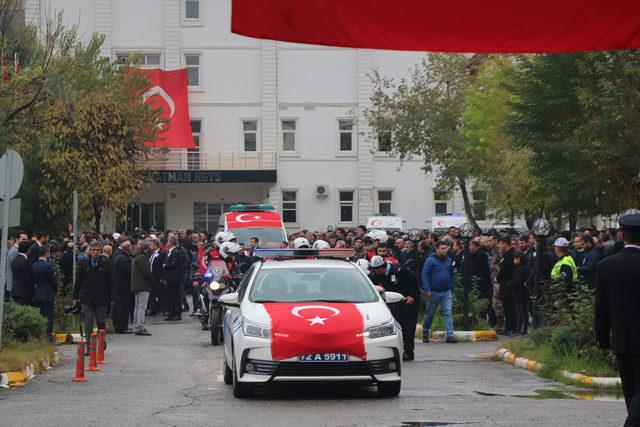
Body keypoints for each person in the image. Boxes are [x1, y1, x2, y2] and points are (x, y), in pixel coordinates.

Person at [595, 214, 640, 426]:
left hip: (622, 340)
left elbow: (601, 307)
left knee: (631, 392)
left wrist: (602, 339)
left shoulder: (606, 265)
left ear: (621, 235)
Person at [369, 255, 420, 360]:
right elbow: (371, 283)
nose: (374, 272)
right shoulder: (377, 274)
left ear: (381, 267)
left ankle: (409, 351)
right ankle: (397, 349)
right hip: (395, 301)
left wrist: (412, 295)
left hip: (409, 299)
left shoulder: (399, 270)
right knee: (397, 325)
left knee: (408, 326)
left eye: (375, 269)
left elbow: (415, 281)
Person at [74, 241, 112, 350]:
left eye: (98, 250)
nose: (95, 252)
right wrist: (75, 297)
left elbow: (111, 281)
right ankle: (89, 345)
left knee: (101, 322)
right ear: (90, 251)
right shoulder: (84, 263)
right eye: (93, 250)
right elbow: (78, 281)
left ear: (100, 251)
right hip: (87, 298)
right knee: (89, 322)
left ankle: (101, 340)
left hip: (101, 298)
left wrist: (113, 297)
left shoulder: (105, 264)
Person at [421, 241, 457, 344]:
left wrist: (452, 289)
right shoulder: (430, 260)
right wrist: (427, 289)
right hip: (433, 292)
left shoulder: (448, 260)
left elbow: (451, 275)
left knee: (448, 312)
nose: (445, 250)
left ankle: (450, 335)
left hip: (446, 291)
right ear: (437, 249)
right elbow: (425, 275)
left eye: (446, 248)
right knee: (430, 314)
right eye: (442, 248)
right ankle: (425, 332)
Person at [462, 239, 495, 326]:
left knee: (484, 304)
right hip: (473, 283)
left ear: (475, 246)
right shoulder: (470, 255)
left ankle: (488, 322)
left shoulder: (481, 255)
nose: (469, 248)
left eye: (470, 246)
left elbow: (484, 269)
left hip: (482, 284)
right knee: (476, 304)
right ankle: (479, 321)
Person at [32, 245, 57, 342]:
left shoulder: (34, 265)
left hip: (38, 293)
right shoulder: (48, 266)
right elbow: (53, 281)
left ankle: (39, 336)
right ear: (46, 253)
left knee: (40, 316)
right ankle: (48, 337)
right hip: (48, 294)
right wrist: (54, 291)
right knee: (49, 316)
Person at [130, 240, 154, 336]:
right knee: (141, 307)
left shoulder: (137, 256)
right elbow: (147, 272)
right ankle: (140, 327)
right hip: (142, 285)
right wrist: (152, 282)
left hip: (136, 285)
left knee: (137, 306)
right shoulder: (142, 258)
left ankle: (137, 325)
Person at [111, 239, 133, 334]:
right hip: (122, 286)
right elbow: (128, 273)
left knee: (120, 307)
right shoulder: (123, 258)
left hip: (119, 286)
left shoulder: (118, 255)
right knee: (123, 307)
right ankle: (122, 327)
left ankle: (120, 326)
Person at [497, 236, 516, 335]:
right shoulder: (506, 254)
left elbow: (505, 269)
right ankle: (507, 327)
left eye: (500, 244)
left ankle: (511, 328)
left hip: (508, 284)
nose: (499, 246)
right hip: (504, 284)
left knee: (510, 307)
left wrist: (498, 276)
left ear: (505, 244)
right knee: (506, 307)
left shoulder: (510, 255)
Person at [163, 237, 185, 321]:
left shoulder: (175, 252)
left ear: (171, 243)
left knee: (175, 297)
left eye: (168, 242)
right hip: (170, 278)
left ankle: (177, 314)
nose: (167, 243)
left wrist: (165, 265)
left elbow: (174, 264)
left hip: (174, 279)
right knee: (171, 297)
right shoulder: (171, 252)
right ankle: (172, 313)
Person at [510, 251, 529, 335]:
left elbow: (518, 281)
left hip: (519, 293)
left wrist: (510, 283)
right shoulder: (526, 268)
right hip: (525, 292)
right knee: (525, 312)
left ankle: (518, 330)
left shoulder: (519, 269)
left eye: (515, 258)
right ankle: (524, 330)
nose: (513, 260)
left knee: (519, 312)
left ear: (519, 259)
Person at [6, 231, 28, 299]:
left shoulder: (16, 250)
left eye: (26, 239)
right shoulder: (15, 251)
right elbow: (15, 269)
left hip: (15, 285)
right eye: (23, 239)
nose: (25, 241)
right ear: (17, 239)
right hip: (14, 285)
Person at [10, 241, 34, 305]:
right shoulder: (25, 261)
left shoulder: (15, 259)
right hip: (24, 293)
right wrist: (33, 291)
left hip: (15, 290)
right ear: (28, 250)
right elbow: (28, 278)